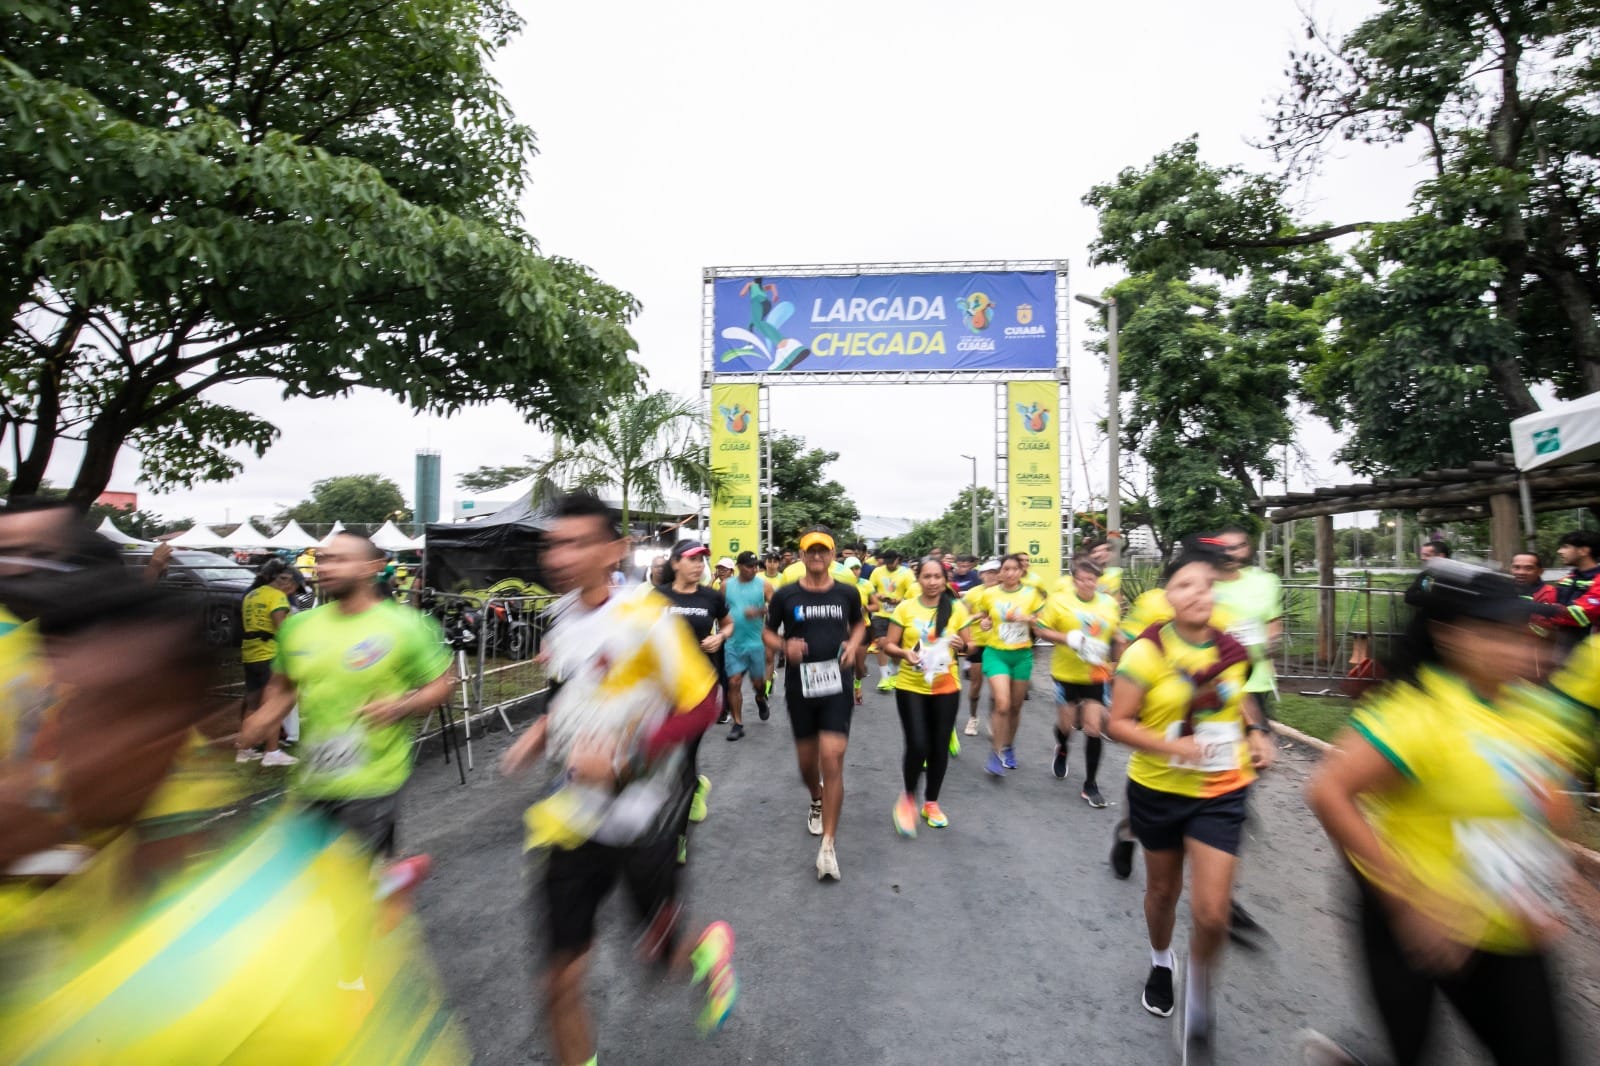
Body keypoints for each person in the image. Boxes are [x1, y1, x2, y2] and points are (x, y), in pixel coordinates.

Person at [1300, 562, 1590, 1066]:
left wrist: (1557, 881)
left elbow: (1544, 811)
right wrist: (1411, 903)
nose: (1520, 647)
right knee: (1412, 1051)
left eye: (1523, 634)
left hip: (1505, 924)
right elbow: (1329, 793)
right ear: (1452, 637)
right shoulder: (1416, 713)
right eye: (1497, 634)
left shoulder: (1535, 711)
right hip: (1410, 918)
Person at [498, 494, 737, 1064]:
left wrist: (626, 759)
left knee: (658, 956)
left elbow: (707, 703)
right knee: (558, 980)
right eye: (553, 543)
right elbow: (572, 694)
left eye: (576, 543)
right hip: (573, 814)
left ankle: (705, 950)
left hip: (644, 810)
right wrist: (542, 729)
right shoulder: (558, 620)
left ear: (615, 550)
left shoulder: (646, 618)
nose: (558, 555)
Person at [1104, 545, 1274, 1057]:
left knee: (1213, 913)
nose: (1197, 593)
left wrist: (1258, 730)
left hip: (1221, 789)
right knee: (1162, 895)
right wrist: (1171, 745)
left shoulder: (1230, 641)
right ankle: (1162, 961)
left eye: (1205, 584)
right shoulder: (1145, 653)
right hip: (1159, 789)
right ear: (1167, 597)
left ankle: (1198, 998)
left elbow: (1239, 690)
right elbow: (1118, 724)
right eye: (1184, 585)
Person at [239, 533, 454, 858]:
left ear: (372, 567)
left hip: (372, 784)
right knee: (301, 886)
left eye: (340, 559)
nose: (326, 567)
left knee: (350, 886)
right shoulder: (298, 627)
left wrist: (400, 707)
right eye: (323, 559)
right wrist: (257, 723)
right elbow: (283, 688)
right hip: (311, 781)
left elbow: (443, 684)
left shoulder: (406, 625)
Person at [764, 528, 865, 881]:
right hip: (800, 686)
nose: (818, 556)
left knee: (832, 756)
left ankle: (828, 846)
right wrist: (782, 647)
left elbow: (859, 625)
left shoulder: (847, 593)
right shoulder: (786, 595)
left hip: (836, 682)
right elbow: (768, 631)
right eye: (812, 551)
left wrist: (853, 645)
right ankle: (816, 796)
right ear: (802, 556)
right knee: (807, 763)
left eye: (824, 551)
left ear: (833, 555)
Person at [884, 557, 971, 834]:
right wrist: (903, 653)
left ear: (944, 580)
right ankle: (908, 799)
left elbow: (972, 647)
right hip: (911, 686)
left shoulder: (956, 609)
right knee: (918, 744)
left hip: (946, 686)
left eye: (937, 577)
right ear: (918, 579)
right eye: (926, 577)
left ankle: (931, 802)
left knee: (939, 746)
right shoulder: (906, 608)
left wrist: (964, 645)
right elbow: (887, 644)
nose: (932, 582)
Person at [655, 541, 731, 846]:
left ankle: (679, 838)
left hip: (701, 689)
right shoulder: (658, 596)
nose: (699, 565)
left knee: (683, 755)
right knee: (667, 757)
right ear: (675, 564)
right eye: (692, 559)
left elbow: (728, 622)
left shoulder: (711, 597)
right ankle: (696, 786)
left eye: (702, 560)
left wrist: (721, 637)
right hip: (663, 687)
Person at [1034, 557, 1120, 807]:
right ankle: (1062, 748)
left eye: (1092, 579)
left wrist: (1117, 659)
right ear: (1074, 580)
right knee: (1067, 725)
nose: (1087, 584)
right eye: (1082, 579)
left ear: (1098, 580)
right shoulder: (1059, 601)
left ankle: (1090, 784)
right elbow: (1040, 629)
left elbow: (1115, 634)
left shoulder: (1108, 604)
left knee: (1093, 728)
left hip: (1096, 674)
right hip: (1066, 673)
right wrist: (1066, 638)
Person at [967, 554, 1047, 777]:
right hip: (996, 654)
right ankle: (995, 753)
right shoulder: (990, 594)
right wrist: (983, 622)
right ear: (1000, 573)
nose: (1010, 573)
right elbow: (984, 616)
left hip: (1022, 655)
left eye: (1015, 569)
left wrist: (1028, 618)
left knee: (1015, 707)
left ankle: (1008, 747)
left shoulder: (1031, 594)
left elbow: (1044, 621)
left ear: (1021, 571)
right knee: (1002, 704)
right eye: (1006, 569)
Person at [237, 560, 299, 767]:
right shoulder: (277, 597)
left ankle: (244, 749)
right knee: (273, 703)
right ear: (275, 578)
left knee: (253, 702)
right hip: (270, 653)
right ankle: (272, 752)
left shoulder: (252, 594)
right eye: (284, 579)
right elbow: (282, 629)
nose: (288, 584)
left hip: (250, 653)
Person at [722, 551, 772, 737]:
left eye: (756, 566)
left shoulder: (764, 585)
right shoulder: (727, 585)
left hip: (755, 644)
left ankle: (760, 697)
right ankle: (737, 724)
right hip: (733, 643)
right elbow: (720, 610)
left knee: (758, 683)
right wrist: (721, 633)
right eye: (749, 566)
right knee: (733, 682)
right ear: (739, 567)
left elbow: (776, 606)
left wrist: (759, 611)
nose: (754, 569)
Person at [960, 559, 1002, 737]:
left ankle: (993, 719)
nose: (991, 576)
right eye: (988, 572)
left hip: (998, 643)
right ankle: (973, 717)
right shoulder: (972, 594)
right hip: (977, 642)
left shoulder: (1003, 594)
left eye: (995, 572)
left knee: (995, 687)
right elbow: (963, 618)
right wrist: (968, 639)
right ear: (981, 575)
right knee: (976, 684)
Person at [1541, 529, 1600, 644]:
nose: (1559, 551)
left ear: (1583, 551)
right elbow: (1548, 601)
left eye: (1565, 547)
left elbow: (1584, 613)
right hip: (1563, 645)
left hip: (1591, 648)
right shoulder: (1568, 579)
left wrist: (1545, 610)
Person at [869, 549, 915, 692]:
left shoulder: (906, 573)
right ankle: (884, 677)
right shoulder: (877, 572)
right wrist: (879, 596)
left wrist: (899, 600)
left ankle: (894, 671)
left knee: (896, 647)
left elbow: (912, 594)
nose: (889, 565)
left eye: (892, 562)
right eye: (886, 561)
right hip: (882, 613)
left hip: (900, 614)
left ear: (898, 560)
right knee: (882, 643)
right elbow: (871, 590)